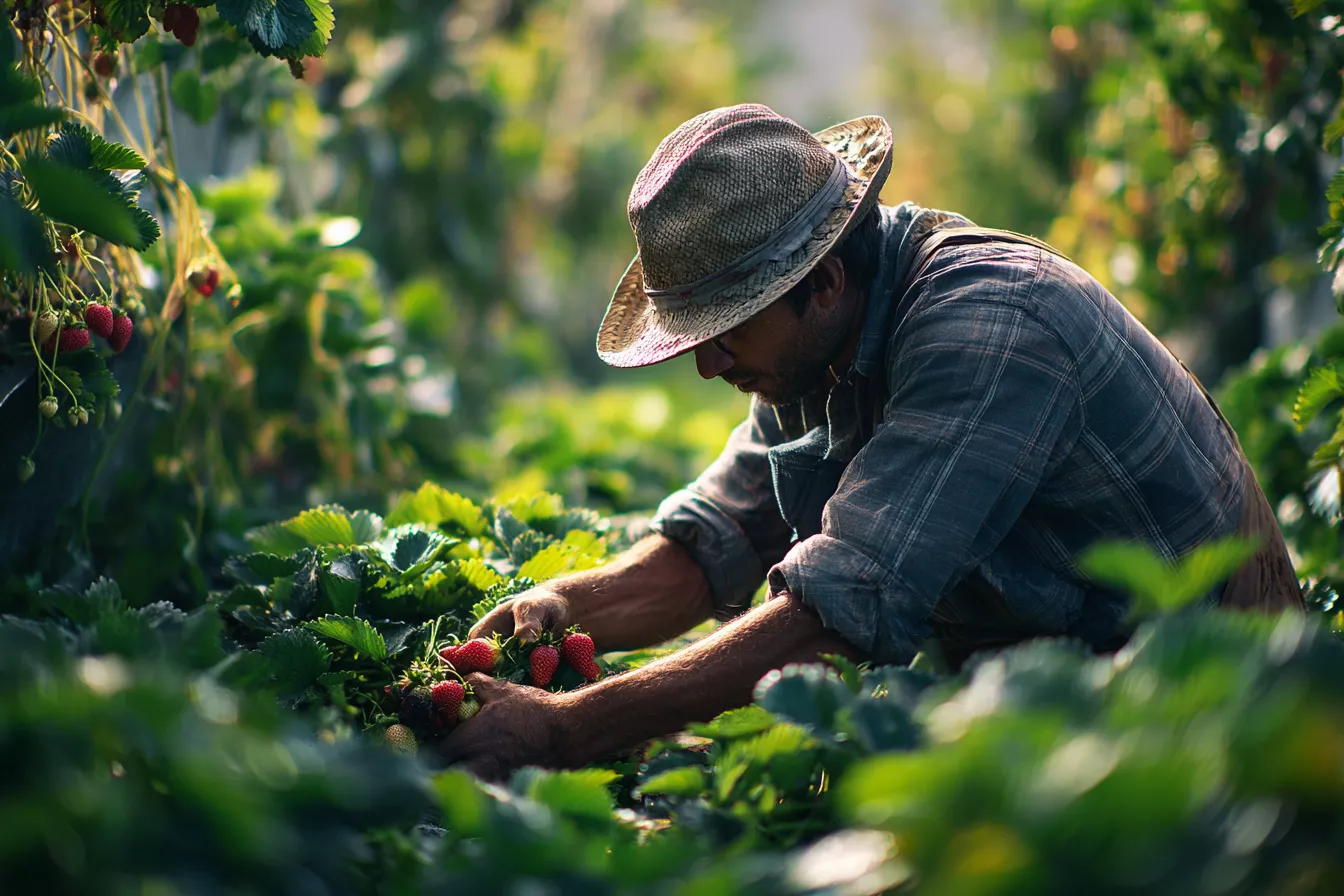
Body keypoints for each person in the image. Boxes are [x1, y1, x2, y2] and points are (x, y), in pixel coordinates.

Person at [438, 103, 1302, 782]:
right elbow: (723, 537)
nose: (708, 365)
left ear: (823, 285)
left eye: (725, 330)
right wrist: (566, 604)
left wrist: (562, 730)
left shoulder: (991, 328)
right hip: (1055, 703)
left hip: (1227, 725)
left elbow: (840, 611)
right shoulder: (811, 351)